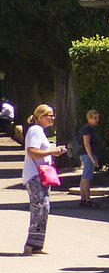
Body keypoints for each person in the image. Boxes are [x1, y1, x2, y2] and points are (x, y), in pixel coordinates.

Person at [21, 104, 66, 255]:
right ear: (40, 117)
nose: (52, 118)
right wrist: (53, 150)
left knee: (43, 207)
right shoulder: (35, 130)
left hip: (41, 176)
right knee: (39, 208)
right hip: (34, 175)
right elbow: (32, 152)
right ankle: (30, 244)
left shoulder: (40, 131)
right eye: (49, 115)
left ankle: (37, 244)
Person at [77, 108, 101, 207]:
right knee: (87, 177)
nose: (97, 120)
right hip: (88, 155)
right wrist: (92, 158)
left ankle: (83, 198)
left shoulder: (87, 128)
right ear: (89, 118)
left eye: (97, 118)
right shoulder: (87, 129)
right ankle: (87, 199)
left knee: (84, 177)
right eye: (95, 118)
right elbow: (87, 144)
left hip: (85, 155)